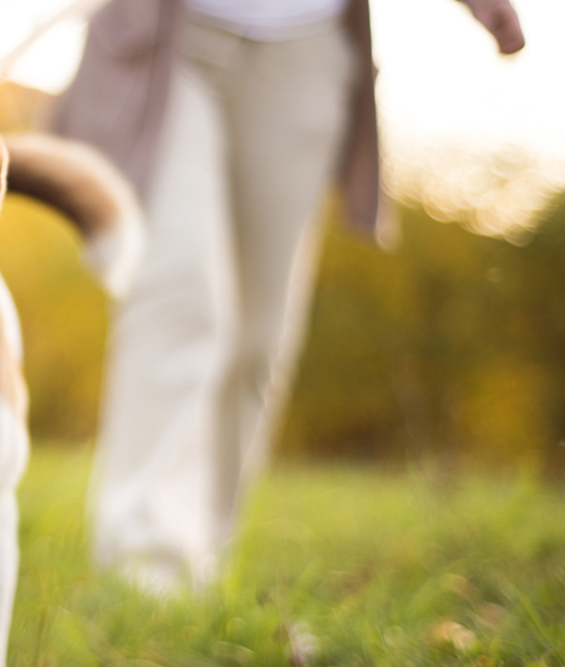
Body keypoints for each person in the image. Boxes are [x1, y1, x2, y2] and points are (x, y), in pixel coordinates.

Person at [53, 0, 525, 590]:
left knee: (258, 336)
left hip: (305, 50)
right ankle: (143, 567)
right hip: (171, 35)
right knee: (182, 292)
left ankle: (201, 551)